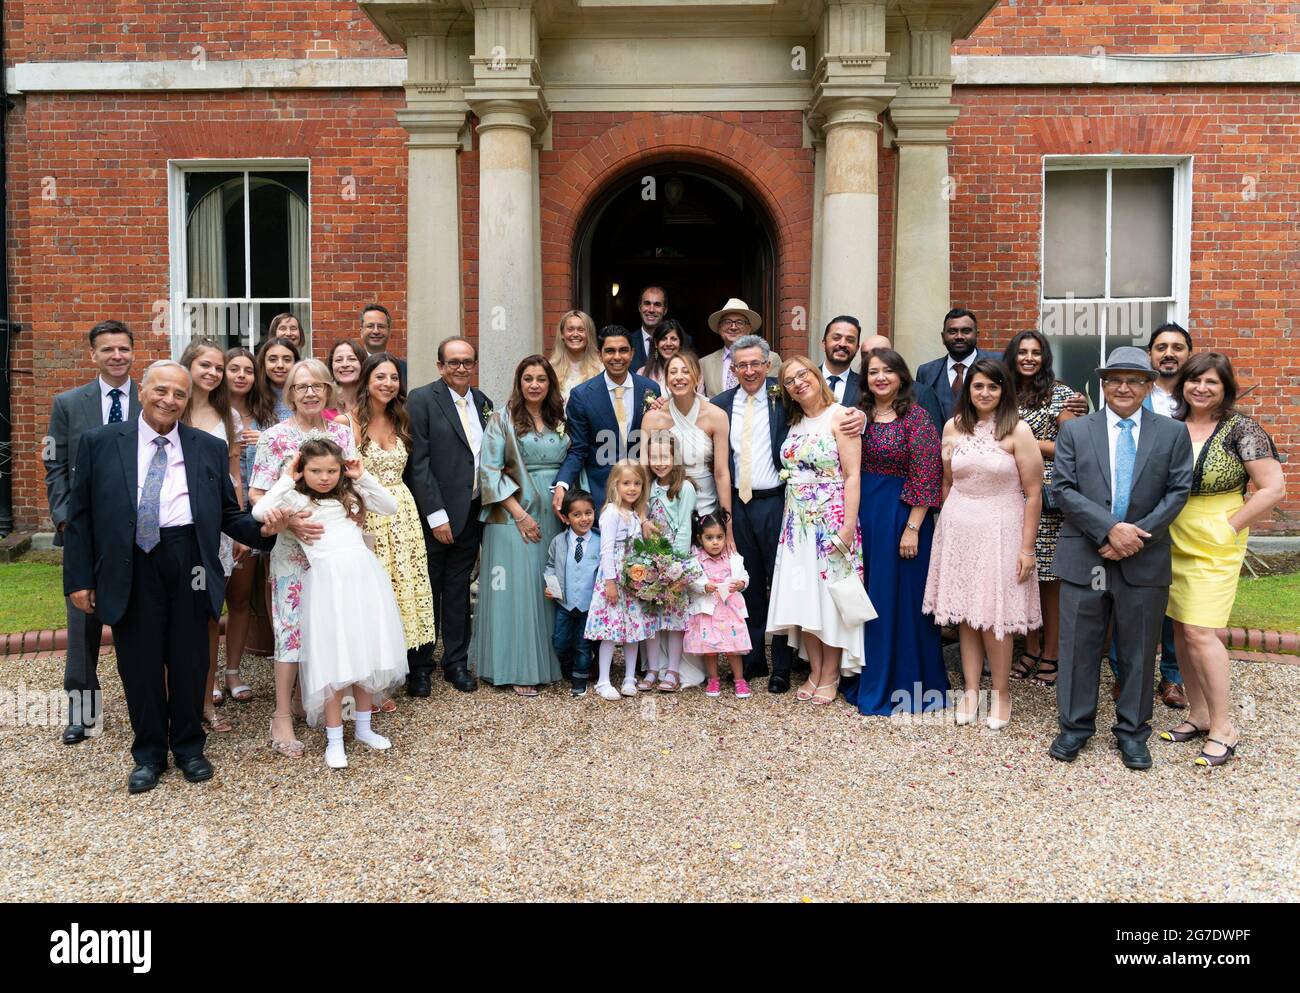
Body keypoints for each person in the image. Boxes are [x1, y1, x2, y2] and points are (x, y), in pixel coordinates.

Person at [63, 360, 281, 794]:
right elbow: (80, 517)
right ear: (142, 391)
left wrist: (263, 530)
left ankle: (188, 747)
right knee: (139, 665)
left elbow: (225, 512)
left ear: (187, 401)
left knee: (189, 659)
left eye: (179, 394)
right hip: (130, 562)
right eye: (161, 390)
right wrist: (79, 580)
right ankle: (147, 754)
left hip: (190, 560)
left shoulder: (206, 447)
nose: (169, 400)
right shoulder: (100, 443)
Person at [1049, 346, 1193, 770]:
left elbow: (1177, 491)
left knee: (1138, 649)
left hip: (1143, 560)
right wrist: (1109, 529)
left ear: (1149, 385)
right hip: (1086, 556)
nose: (1123, 387)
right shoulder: (1076, 431)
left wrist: (1134, 537)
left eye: (1134, 379)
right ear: (1103, 384)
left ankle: (1132, 733)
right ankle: (1074, 728)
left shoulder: (1171, 433)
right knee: (1078, 647)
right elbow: (1063, 489)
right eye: (1114, 379)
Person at [251, 439, 407, 768]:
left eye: (332, 471)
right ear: (302, 470)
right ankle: (334, 739)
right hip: (327, 586)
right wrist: (287, 477)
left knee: (365, 653)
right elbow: (259, 512)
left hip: (362, 580)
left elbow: (390, 506)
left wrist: (362, 477)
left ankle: (363, 727)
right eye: (315, 471)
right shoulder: (294, 497)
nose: (324, 477)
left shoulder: (350, 494)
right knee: (335, 661)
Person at [1162, 352, 1284, 767]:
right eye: (1194, 381)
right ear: (1183, 385)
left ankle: (1224, 726)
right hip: (1173, 532)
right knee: (1181, 628)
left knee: (1201, 631)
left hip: (1216, 532)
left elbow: (1272, 488)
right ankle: (1197, 714)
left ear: (1225, 388)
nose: (1201, 388)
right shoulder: (1173, 427)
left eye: (1211, 382)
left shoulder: (1241, 428)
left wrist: (1229, 527)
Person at [924, 359, 1044, 730]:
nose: (985, 393)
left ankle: (1002, 692)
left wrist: (1027, 548)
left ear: (1003, 390)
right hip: (959, 525)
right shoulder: (952, 428)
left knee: (995, 616)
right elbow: (947, 482)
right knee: (965, 614)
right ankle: (972, 691)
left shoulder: (1017, 431)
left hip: (1002, 526)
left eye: (993, 387)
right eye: (978, 387)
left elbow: (1035, 492)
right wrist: (945, 530)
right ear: (968, 390)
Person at [249, 358, 356, 758]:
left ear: (329, 390)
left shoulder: (343, 436)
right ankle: (281, 714)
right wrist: (290, 521)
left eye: (317, 386)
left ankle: (317, 700)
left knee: (330, 626)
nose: (309, 392)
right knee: (291, 630)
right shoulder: (273, 438)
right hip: (293, 551)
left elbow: (352, 487)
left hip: (335, 551)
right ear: (289, 394)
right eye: (300, 386)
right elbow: (257, 495)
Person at [44, 319, 141, 744]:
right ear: (93, 355)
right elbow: (54, 464)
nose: (116, 356)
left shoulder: (152, 397)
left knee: (139, 620)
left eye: (123, 349)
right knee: (83, 624)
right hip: (86, 532)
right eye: (107, 350)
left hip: (140, 530)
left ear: (133, 352)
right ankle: (82, 712)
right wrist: (66, 519)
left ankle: (146, 705)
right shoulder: (68, 404)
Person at [842, 346, 946, 717]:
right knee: (869, 597)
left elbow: (927, 474)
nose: (880, 377)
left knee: (899, 600)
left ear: (902, 376)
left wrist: (913, 528)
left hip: (902, 516)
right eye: (873, 372)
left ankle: (907, 682)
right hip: (865, 514)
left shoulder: (916, 418)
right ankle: (868, 675)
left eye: (888, 371)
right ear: (865, 380)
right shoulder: (859, 416)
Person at [1105, 322, 1195, 708]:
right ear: (1151, 357)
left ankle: (1171, 677)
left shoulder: (1198, 397)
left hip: (1182, 517)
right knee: (1123, 595)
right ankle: (1124, 674)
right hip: (1130, 518)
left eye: (1178, 347)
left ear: (1188, 355)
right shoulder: (1131, 395)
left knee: (1174, 600)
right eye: (1162, 347)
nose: (1170, 352)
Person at [766, 356, 863, 706]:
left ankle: (832, 673)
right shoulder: (793, 423)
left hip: (831, 518)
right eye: (790, 380)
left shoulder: (842, 416)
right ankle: (814, 670)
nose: (798, 383)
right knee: (802, 594)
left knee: (830, 598)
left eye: (802, 374)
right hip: (796, 525)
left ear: (816, 375)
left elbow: (852, 474)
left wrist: (848, 527)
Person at [473, 355, 570, 696]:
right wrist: (520, 514)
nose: (534, 385)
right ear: (519, 382)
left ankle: (552, 661)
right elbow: (490, 471)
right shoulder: (502, 418)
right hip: (511, 516)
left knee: (547, 588)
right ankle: (516, 665)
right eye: (528, 378)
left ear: (550, 383)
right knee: (515, 589)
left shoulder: (560, 418)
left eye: (541, 379)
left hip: (554, 517)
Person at [344, 351, 435, 708]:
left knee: (402, 593)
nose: (387, 384)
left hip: (403, 514)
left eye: (393, 378)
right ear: (367, 379)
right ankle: (370, 682)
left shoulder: (402, 419)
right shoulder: (350, 421)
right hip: (367, 513)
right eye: (380, 377)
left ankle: (395, 672)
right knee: (373, 594)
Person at [407, 336, 490, 695]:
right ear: (440, 366)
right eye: (453, 362)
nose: (461, 368)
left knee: (458, 591)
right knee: (428, 591)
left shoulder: (484, 402)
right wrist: (436, 515)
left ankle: (455, 662)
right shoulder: (422, 400)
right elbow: (418, 463)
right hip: (434, 516)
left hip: (471, 511)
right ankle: (419, 667)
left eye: (467, 362)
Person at [1002, 330, 1080, 691]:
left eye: (1036, 352)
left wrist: (1023, 444)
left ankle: (1051, 653)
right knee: (1021, 574)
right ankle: (1029, 647)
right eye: (1022, 352)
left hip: (1046, 495)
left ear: (1045, 357)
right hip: (1006, 492)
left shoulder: (1061, 394)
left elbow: (1072, 444)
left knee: (1048, 578)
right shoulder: (1002, 391)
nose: (1029, 358)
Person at [178, 339, 244, 733]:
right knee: (172, 616)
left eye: (218, 367)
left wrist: (237, 526)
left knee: (208, 616)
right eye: (206, 365)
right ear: (189, 365)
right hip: (173, 525)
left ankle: (206, 702)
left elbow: (234, 475)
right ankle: (177, 704)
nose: (213, 373)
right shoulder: (171, 407)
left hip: (215, 526)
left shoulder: (228, 415)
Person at [552, 326, 661, 514]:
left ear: (632, 353)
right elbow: (578, 448)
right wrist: (562, 483)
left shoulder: (650, 389)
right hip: (601, 492)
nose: (617, 357)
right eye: (610, 351)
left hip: (644, 490)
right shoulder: (582, 395)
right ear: (600, 355)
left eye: (623, 350)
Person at [584, 460, 657, 700]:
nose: (632, 488)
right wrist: (610, 582)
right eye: (626, 483)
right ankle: (603, 680)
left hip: (632, 580)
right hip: (614, 580)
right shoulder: (611, 513)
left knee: (633, 630)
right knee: (610, 631)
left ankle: (629, 678)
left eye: (637, 483)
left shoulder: (635, 514)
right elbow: (606, 550)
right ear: (615, 485)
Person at [638, 430, 698, 693]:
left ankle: (672, 669)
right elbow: (643, 518)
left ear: (675, 458)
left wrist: (676, 564)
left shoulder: (684, 488)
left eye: (665, 456)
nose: (660, 462)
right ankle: (653, 668)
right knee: (652, 618)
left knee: (674, 619)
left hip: (674, 562)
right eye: (654, 457)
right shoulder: (648, 487)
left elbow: (684, 527)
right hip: (650, 559)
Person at [640, 352, 732, 516]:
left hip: (705, 506)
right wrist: (642, 516)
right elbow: (644, 470)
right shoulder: (652, 418)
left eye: (686, 371)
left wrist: (728, 521)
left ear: (697, 377)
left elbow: (721, 473)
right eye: (673, 372)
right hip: (665, 505)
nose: (679, 377)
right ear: (666, 380)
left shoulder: (716, 416)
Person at [221, 345, 263, 702]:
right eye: (233, 368)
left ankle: (233, 672)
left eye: (247, 370)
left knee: (240, 597)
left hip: (249, 512)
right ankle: (207, 680)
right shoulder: (206, 413)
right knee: (207, 603)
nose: (240, 375)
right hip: (214, 514)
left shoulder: (263, 413)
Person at [685, 511, 751, 699]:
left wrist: (741, 584)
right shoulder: (696, 560)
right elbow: (691, 581)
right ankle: (713, 678)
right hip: (708, 610)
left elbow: (744, 575)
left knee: (733, 646)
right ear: (700, 538)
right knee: (710, 647)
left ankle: (739, 679)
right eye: (709, 538)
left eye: (719, 537)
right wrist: (704, 586)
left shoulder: (732, 557)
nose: (715, 542)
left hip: (729, 609)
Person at [545, 489, 601, 697]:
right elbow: (550, 565)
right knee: (559, 642)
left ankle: (580, 679)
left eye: (588, 513)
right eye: (577, 514)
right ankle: (568, 668)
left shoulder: (599, 541)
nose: (584, 518)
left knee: (582, 645)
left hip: (589, 605)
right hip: (565, 603)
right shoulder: (559, 542)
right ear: (566, 518)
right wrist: (551, 585)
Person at [914, 308, 1001, 424]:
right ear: (943, 337)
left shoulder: (999, 363)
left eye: (966, 331)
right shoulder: (926, 371)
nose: (959, 336)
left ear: (976, 334)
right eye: (952, 331)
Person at [859, 334, 944, 434]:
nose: (874, 357)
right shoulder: (859, 408)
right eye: (866, 355)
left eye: (882, 352)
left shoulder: (921, 398)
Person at [700, 298, 782, 397]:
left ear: (749, 328)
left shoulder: (771, 359)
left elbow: (775, 397)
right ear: (719, 327)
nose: (733, 327)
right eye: (727, 322)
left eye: (739, 322)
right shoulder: (704, 363)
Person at [548, 309, 602, 404]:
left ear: (589, 334)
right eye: (570, 329)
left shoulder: (601, 368)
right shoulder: (550, 369)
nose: (575, 334)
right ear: (562, 334)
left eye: (581, 330)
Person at [638, 319, 697, 394]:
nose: (668, 343)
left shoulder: (693, 370)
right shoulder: (643, 373)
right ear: (656, 343)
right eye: (663, 339)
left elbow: (701, 402)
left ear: (680, 343)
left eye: (673, 339)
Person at [252, 336, 300, 425]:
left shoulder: (306, 395)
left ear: (296, 363)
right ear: (263, 363)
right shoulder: (252, 395)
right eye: (273, 360)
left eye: (287, 360)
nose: (280, 365)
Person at [359, 304, 407, 383]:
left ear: (389, 332)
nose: (376, 331)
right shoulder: (353, 369)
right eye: (370, 326)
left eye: (381, 326)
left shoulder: (404, 369)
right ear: (361, 331)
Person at [820, 316, 860, 406]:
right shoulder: (805, 381)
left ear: (857, 348)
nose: (842, 344)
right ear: (824, 344)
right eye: (836, 338)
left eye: (850, 340)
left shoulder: (865, 386)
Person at [631, 285, 668, 374]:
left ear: (665, 310)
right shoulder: (627, 342)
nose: (651, 310)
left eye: (657, 305)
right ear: (640, 308)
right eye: (647, 303)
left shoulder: (681, 342)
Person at [326, 339, 368, 418]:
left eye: (352, 359)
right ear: (331, 367)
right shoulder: (322, 406)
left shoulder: (373, 404)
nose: (344, 364)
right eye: (338, 360)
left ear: (363, 364)